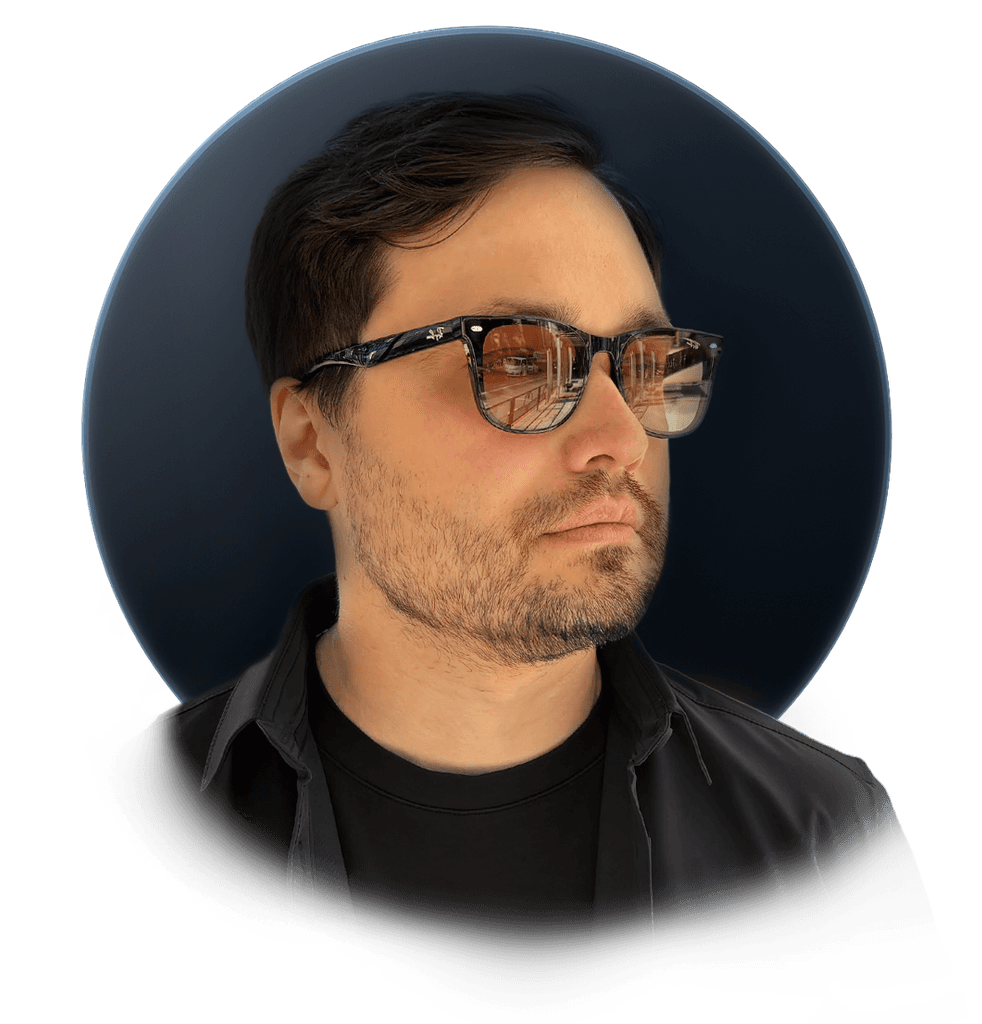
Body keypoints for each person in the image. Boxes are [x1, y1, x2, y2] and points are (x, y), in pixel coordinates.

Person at [91, 95, 965, 1022]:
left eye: (645, 362)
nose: (620, 438)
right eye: (517, 363)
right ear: (312, 443)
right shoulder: (119, 839)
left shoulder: (828, 842)